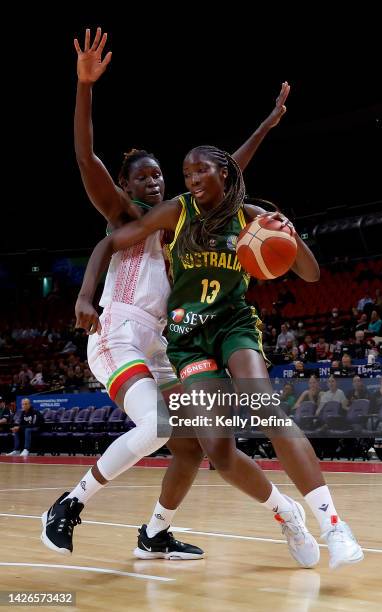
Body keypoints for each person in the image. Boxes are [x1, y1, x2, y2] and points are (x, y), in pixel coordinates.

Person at [41, 28, 292, 561]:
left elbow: (231, 170)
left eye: (160, 176)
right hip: (120, 333)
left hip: (164, 342)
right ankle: (69, 503)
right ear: (129, 188)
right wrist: (84, 86)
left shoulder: (186, 216)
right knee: (157, 425)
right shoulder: (125, 215)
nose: (155, 183)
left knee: (191, 445)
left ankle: (155, 533)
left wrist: (267, 125)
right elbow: (86, 158)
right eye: (144, 178)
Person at [77, 143, 363, 569]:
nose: (190, 179)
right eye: (187, 173)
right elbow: (111, 241)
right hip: (188, 339)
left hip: (232, 324)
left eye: (200, 172)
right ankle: (288, 513)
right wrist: (85, 297)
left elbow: (310, 273)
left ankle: (335, 527)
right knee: (220, 452)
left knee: (265, 409)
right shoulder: (177, 212)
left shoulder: (248, 215)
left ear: (223, 174)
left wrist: (287, 231)